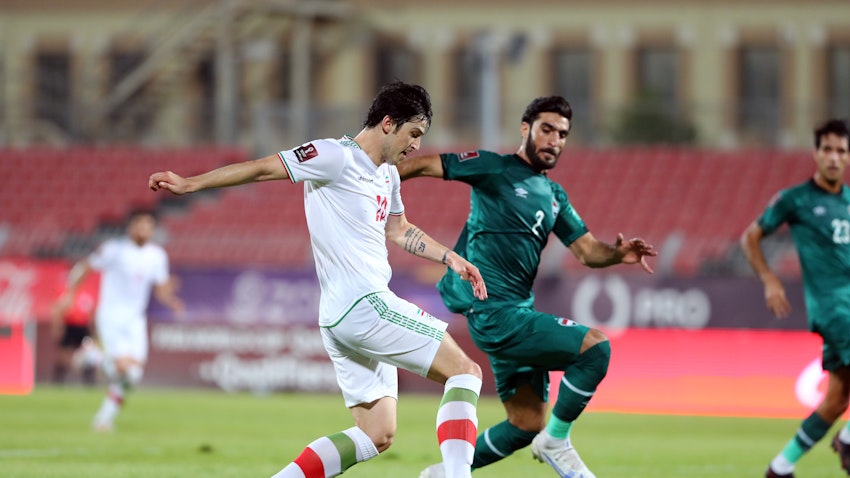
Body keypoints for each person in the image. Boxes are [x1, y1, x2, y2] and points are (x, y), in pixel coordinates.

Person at [148, 81, 488, 478]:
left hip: (340, 317)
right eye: (413, 134)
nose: (416, 146)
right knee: (466, 372)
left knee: (376, 434)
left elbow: (399, 230)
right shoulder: (333, 155)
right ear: (388, 123)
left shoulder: (388, 175)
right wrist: (192, 183)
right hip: (364, 304)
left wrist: (450, 258)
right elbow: (263, 168)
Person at [397, 95, 657, 478]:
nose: (555, 140)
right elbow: (422, 165)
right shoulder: (494, 167)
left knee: (524, 424)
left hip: (517, 311)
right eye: (547, 129)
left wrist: (618, 254)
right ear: (526, 129)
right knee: (595, 349)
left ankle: (442, 473)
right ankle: (557, 440)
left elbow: (587, 251)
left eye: (563, 134)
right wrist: (372, 181)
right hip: (494, 312)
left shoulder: (554, 196)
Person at [740, 119, 850, 478]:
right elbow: (751, 238)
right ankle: (849, 439)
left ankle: (780, 467)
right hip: (834, 308)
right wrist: (770, 279)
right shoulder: (795, 199)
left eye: (841, 151)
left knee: (836, 400)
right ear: (816, 153)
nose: (834, 157)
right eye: (828, 149)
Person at [62, 209, 184, 431]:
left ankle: (102, 418)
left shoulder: (157, 256)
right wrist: (70, 294)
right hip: (111, 317)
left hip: (135, 320)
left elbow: (160, 287)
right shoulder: (114, 250)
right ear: (131, 227)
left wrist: (171, 300)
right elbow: (86, 267)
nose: (145, 229)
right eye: (140, 225)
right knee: (122, 366)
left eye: (149, 226)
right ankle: (96, 357)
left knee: (133, 374)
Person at [50, 281, 98, 385]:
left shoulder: (88, 292)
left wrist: (93, 332)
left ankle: (90, 383)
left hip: (83, 328)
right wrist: (57, 328)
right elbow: (57, 311)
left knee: (88, 355)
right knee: (64, 357)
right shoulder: (65, 292)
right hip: (69, 326)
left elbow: (91, 314)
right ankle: (58, 383)